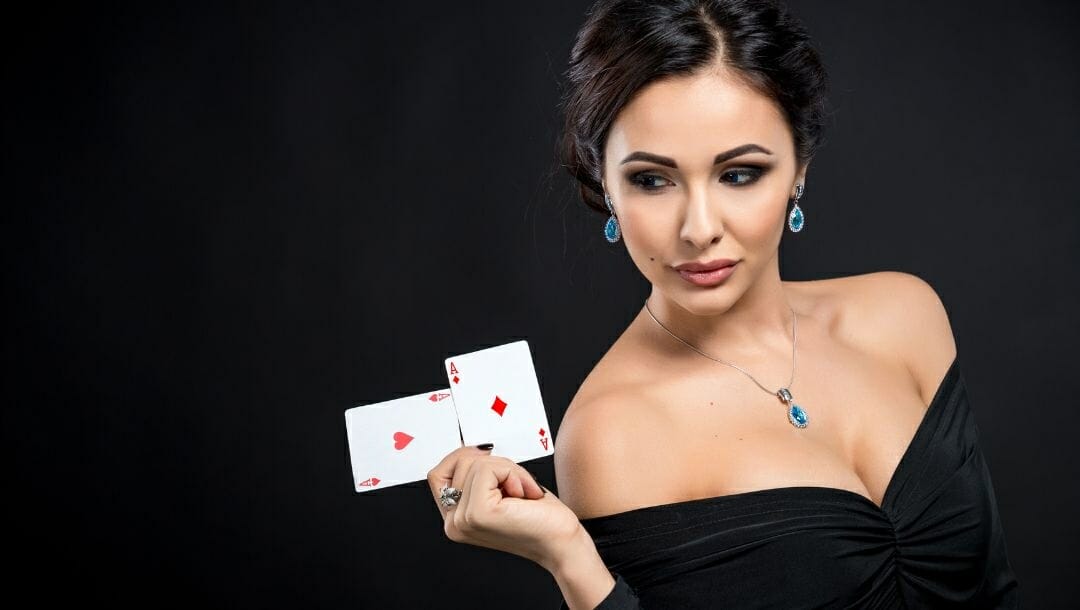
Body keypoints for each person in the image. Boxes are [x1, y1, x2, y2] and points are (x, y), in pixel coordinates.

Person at [426, 0, 1020, 607]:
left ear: (799, 170)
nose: (699, 228)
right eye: (653, 180)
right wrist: (572, 561)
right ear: (605, 184)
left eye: (739, 174)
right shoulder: (612, 435)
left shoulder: (905, 315)